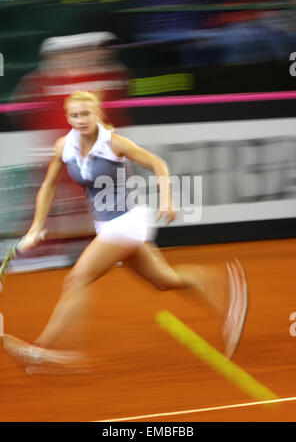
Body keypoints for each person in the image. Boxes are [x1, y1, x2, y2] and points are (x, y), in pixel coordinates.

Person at [2, 91, 248, 374]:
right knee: (165, 280)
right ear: (67, 116)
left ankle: (38, 352)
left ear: (97, 114)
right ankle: (229, 295)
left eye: (86, 114)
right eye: (74, 115)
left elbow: (158, 164)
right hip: (107, 228)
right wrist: (37, 225)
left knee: (77, 279)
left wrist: (167, 198)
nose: (80, 120)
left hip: (128, 224)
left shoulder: (115, 143)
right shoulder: (64, 146)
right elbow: (48, 186)